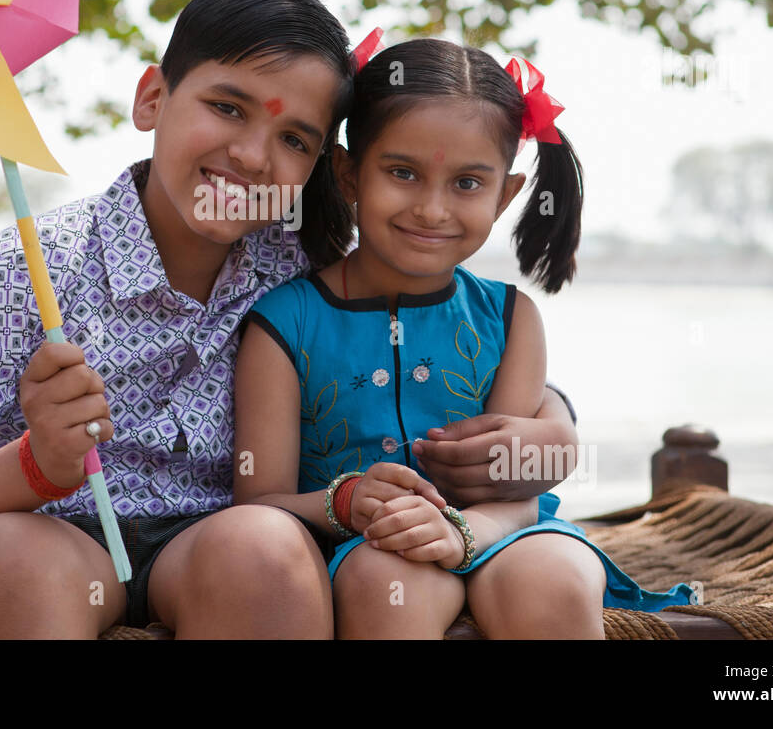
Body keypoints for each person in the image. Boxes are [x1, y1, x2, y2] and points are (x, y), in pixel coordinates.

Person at [0, 0, 580, 638]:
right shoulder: (29, 268)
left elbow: (438, 351)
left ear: (326, 166)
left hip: (220, 551)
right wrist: (34, 467)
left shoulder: (306, 265)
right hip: (52, 543)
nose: (254, 157)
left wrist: (557, 428)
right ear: (153, 99)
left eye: (293, 138)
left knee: (259, 544)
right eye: (226, 107)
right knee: (10, 555)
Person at [234, 37, 695, 639]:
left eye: (468, 184)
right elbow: (258, 501)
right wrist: (342, 503)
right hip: (364, 543)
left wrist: (465, 533)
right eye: (402, 173)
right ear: (349, 174)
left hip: (508, 533)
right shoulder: (284, 322)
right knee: (389, 584)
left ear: (506, 195)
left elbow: (516, 490)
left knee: (554, 578)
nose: (431, 209)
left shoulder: (510, 318)